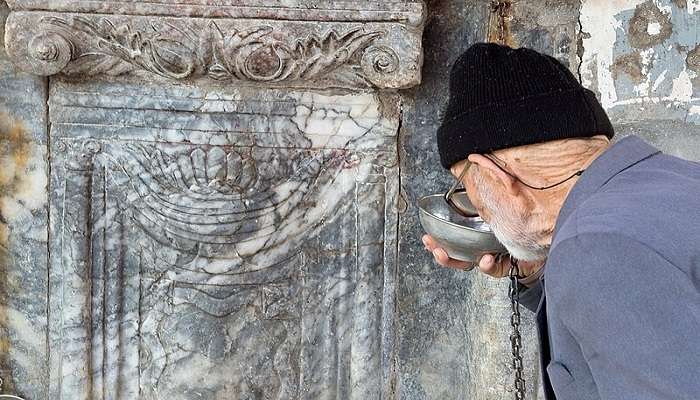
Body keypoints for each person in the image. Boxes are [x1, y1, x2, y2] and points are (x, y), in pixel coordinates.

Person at [421, 42, 700, 399]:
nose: (475, 207)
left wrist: (574, 257)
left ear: (494, 175)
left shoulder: (596, 250)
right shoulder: (676, 181)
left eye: (465, 188)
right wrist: (539, 270)